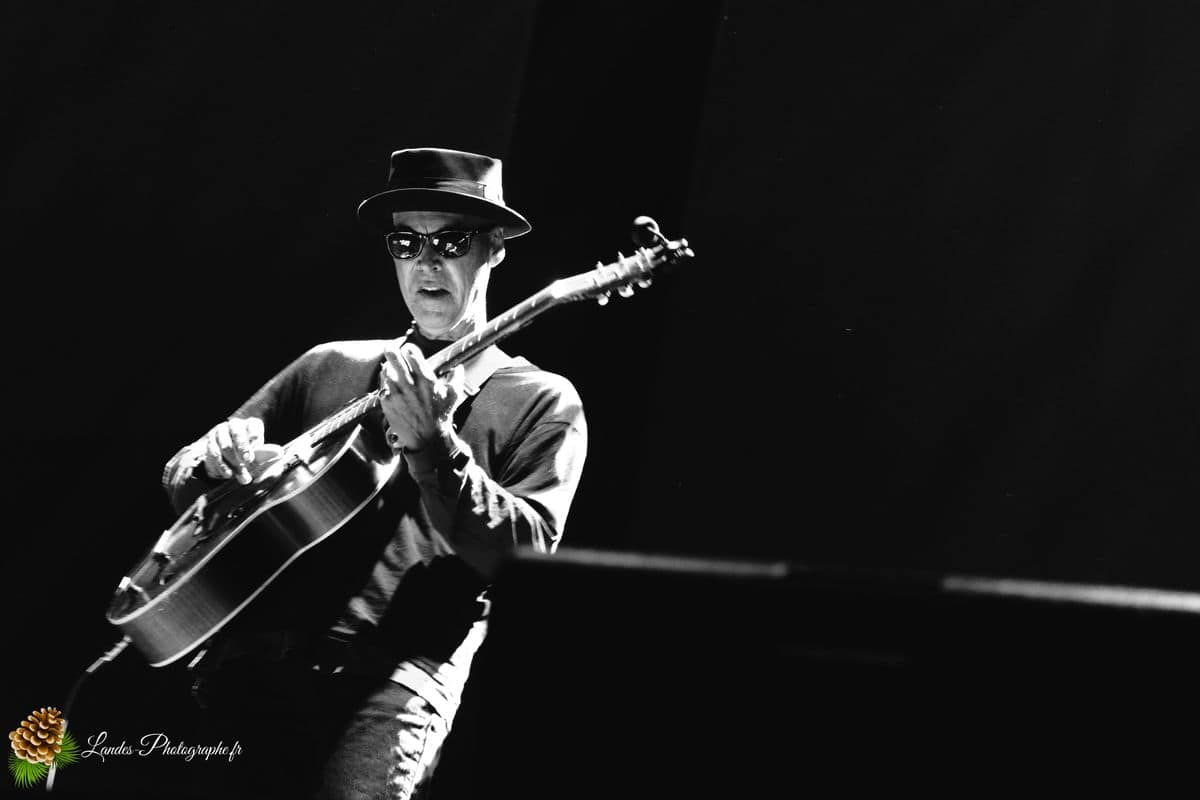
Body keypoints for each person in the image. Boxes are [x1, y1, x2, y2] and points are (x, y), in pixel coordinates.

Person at [160, 147, 587, 799]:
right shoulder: (327, 367)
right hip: (252, 671)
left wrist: (435, 450)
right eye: (407, 242)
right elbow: (182, 478)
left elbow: (524, 557)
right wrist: (214, 459)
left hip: (391, 686)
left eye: (452, 240)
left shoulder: (541, 400)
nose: (427, 262)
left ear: (496, 248)